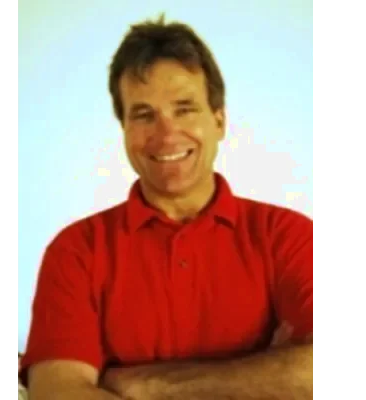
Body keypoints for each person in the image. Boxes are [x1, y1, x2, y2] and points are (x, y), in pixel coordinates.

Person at [19, 14, 315, 400]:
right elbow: (56, 392)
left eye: (184, 108)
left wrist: (146, 384)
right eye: (144, 115)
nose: (166, 134)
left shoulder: (289, 236)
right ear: (124, 129)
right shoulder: (76, 251)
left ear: (219, 121)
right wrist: (266, 374)